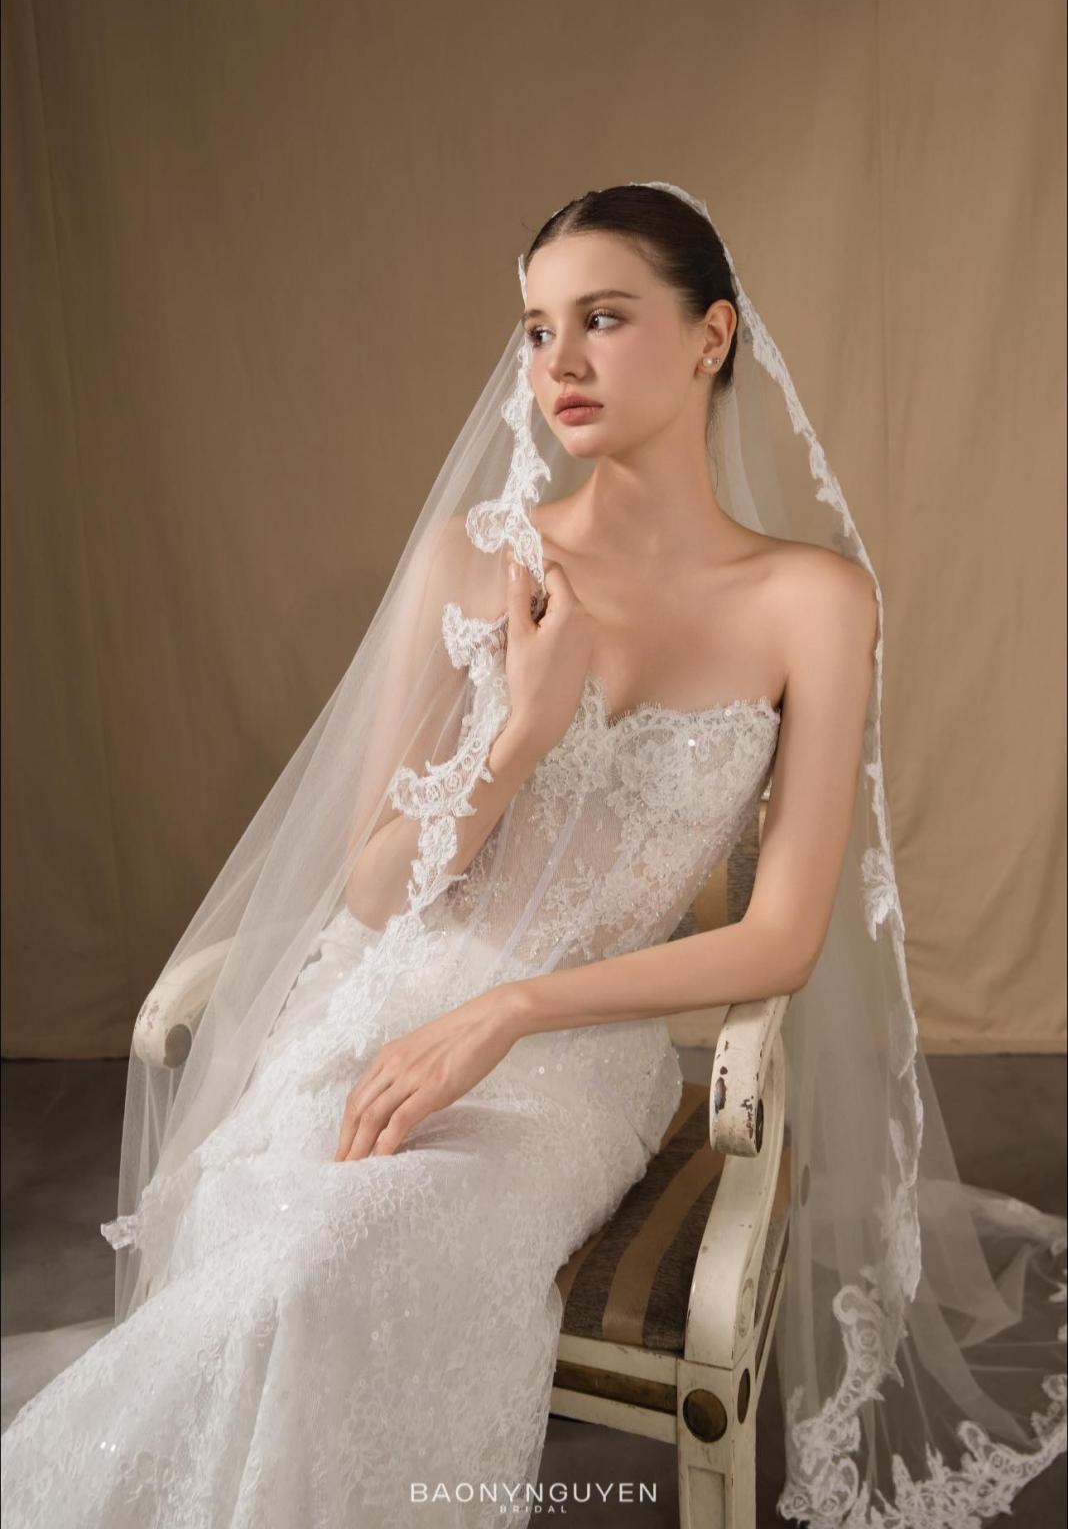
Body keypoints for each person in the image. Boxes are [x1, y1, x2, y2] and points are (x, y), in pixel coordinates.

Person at [1, 182, 1064, 1527]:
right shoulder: (472, 562)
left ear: (712, 336)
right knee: (277, 1254)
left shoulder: (813, 601)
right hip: (374, 1020)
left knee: (319, 1270)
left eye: (603, 319)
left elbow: (781, 938)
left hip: (570, 1068)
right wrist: (521, 736)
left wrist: (510, 1010)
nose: (560, 362)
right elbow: (377, 886)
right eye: (538, 328)